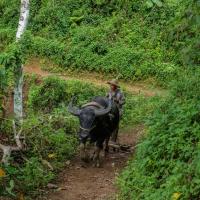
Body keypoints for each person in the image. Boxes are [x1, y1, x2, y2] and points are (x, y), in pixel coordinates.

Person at [106, 79, 125, 143]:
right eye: (111, 85)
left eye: (113, 85)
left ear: (116, 86)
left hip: (118, 110)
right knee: (107, 123)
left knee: (115, 126)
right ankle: (106, 137)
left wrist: (118, 101)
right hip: (109, 109)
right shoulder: (109, 91)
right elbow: (106, 99)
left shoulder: (120, 92)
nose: (111, 86)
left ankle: (113, 140)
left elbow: (123, 101)